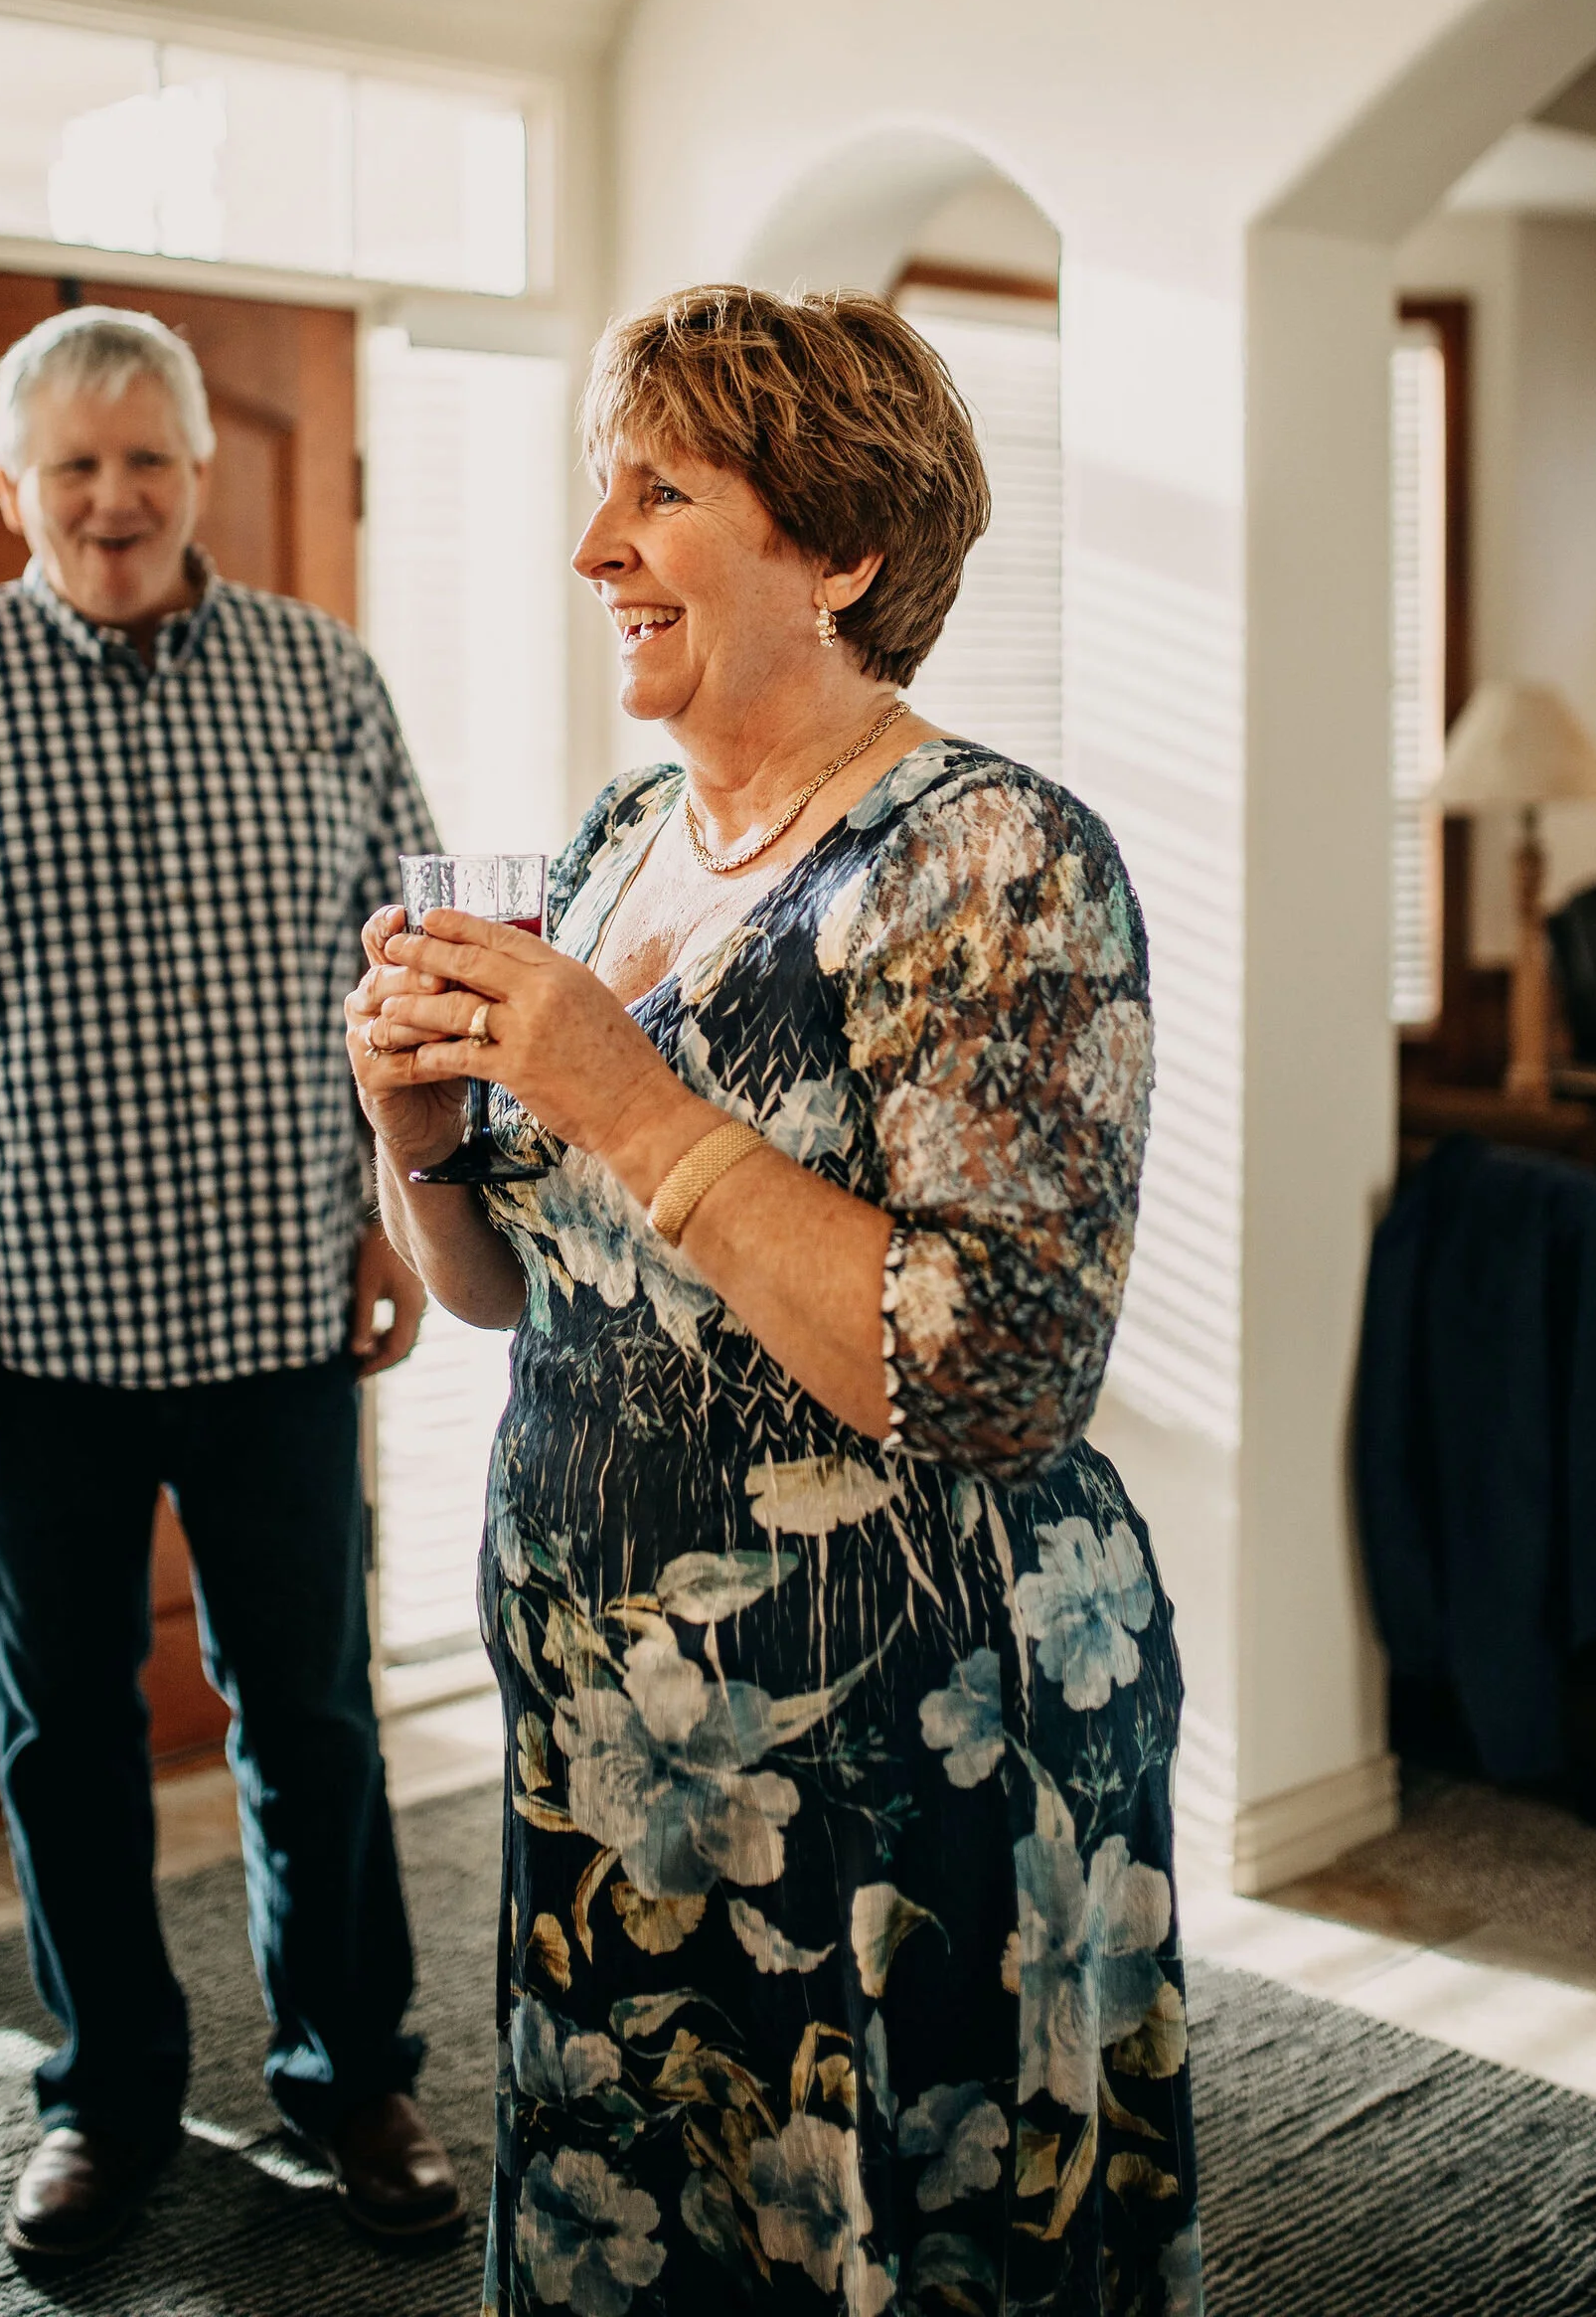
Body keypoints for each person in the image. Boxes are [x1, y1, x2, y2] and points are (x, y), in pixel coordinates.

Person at [350, 283, 1200, 2315]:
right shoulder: (620, 838)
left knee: (888, 2229)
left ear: (842, 552)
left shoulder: (988, 858)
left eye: (659, 492)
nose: (591, 549)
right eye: (593, 490)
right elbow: (501, 1298)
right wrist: (418, 1127)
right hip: (622, 1734)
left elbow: (993, 1378)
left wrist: (616, 1092)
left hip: (901, 1750)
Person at [0, 307, 462, 2263]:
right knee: (64, 1740)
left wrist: (395, 1211)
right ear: (9, 483)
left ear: (203, 475)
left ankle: (352, 2072)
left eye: (148, 462)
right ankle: (106, 2101)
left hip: (282, 1306)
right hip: (25, 1342)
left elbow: (409, 974)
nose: (113, 501)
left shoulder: (320, 678)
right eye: (71, 467)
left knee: (315, 1723)